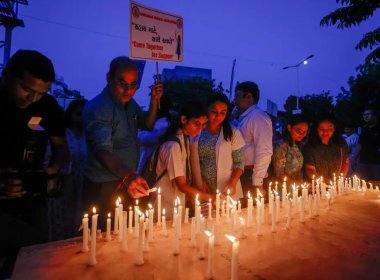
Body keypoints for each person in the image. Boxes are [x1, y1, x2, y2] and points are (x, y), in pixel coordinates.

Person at [0, 50, 67, 278]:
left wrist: (53, 170)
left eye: (41, 93)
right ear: (7, 76)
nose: (32, 99)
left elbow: (60, 147)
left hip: (32, 197)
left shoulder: (47, 106)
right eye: (27, 90)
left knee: (33, 258)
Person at [83, 56, 162, 219]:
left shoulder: (130, 104)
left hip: (125, 180)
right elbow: (103, 151)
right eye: (122, 83)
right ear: (109, 78)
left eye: (133, 85)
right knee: (102, 234)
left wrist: (154, 100)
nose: (128, 90)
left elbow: (147, 124)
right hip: (104, 184)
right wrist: (129, 176)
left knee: (123, 232)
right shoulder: (99, 108)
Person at [155, 101, 210, 218]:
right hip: (164, 203)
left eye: (203, 125)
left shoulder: (185, 138)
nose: (199, 129)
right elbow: (182, 185)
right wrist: (212, 198)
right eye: (196, 124)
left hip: (175, 200)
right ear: (184, 119)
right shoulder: (173, 145)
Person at [190, 93, 245, 201]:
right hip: (204, 189)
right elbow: (194, 160)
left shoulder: (233, 132)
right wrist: (201, 180)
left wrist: (232, 183)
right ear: (207, 109)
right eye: (214, 112)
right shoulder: (198, 131)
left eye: (222, 113)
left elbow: (239, 163)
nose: (218, 116)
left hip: (227, 189)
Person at [233, 81, 273, 198]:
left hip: (251, 175)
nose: (234, 100)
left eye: (237, 96)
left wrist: (257, 182)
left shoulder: (258, 117)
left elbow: (264, 150)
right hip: (243, 173)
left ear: (249, 96)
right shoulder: (246, 117)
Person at [304, 115, 349, 182]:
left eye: (329, 129)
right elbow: (310, 169)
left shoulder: (341, 143)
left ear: (334, 129)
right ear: (316, 129)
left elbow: (346, 162)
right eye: (321, 129)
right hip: (317, 186)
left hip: (337, 184)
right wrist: (323, 183)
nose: (325, 132)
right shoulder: (310, 146)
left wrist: (340, 179)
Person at [137, 95, 173, 174]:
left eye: (152, 104)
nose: (150, 107)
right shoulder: (161, 122)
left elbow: (145, 139)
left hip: (150, 163)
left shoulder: (162, 123)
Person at [272, 114, 309, 185]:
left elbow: (298, 171)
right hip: (283, 189)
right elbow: (279, 173)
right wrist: (298, 184)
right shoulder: (281, 146)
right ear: (289, 127)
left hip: (295, 187)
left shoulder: (296, 146)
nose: (302, 134)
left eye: (305, 132)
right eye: (299, 131)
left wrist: (302, 184)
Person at [353, 107, 380, 181]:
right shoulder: (364, 129)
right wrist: (354, 158)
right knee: (364, 182)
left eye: (368, 114)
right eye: (364, 115)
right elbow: (360, 144)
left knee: (377, 182)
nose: (366, 116)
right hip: (364, 161)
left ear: (375, 116)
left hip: (377, 162)